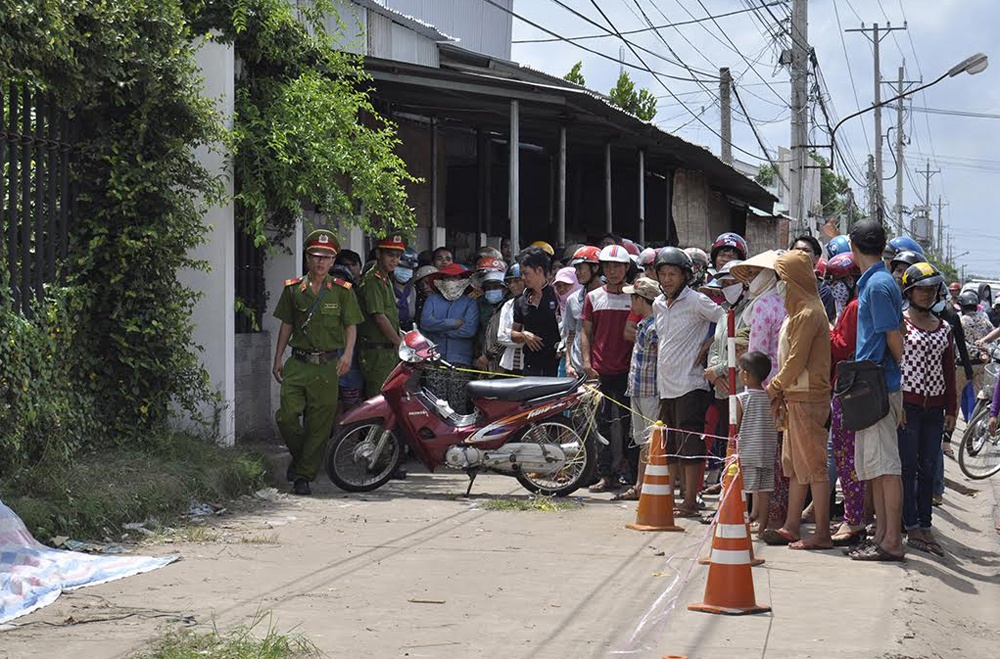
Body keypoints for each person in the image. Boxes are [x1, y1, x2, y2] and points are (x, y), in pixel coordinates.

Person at [272, 229, 363, 495]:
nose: (320, 262)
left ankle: (303, 476)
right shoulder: (293, 289)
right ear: (307, 258)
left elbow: (351, 326)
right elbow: (286, 324)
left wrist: (347, 355)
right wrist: (278, 357)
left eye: (326, 257)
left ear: (333, 261)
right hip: (298, 362)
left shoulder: (343, 292)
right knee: (287, 416)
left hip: (327, 365)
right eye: (315, 256)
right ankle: (303, 460)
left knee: (319, 424)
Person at [756, 250, 832, 550]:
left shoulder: (809, 312)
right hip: (794, 396)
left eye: (781, 278)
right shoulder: (798, 311)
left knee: (813, 466)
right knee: (794, 465)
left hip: (807, 397)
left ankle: (822, 532)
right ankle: (791, 525)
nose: (779, 285)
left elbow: (796, 361)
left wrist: (771, 390)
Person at [847, 220, 906, 562]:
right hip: (871, 384)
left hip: (880, 385)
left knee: (886, 468)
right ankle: (883, 537)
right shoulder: (875, 282)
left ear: (854, 246)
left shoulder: (879, 285)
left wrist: (903, 379)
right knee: (877, 469)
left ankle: (891, 541)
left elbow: (893, 337)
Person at [652, 247, 724, 516]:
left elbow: (725, 319)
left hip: (691, 383)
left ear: (685, 276)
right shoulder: (658, 303)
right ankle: (671, 498)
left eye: (673, 274)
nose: (668, 279)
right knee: (669, 443)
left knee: (690, 444)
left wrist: (709, 344)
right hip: (666, 385)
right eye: (663, 273)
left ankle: (691, 501)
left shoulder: (696, 301)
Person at [897, 262, 956, 557]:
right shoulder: (900, 322)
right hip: (907, 406)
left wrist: (951, 410)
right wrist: (896, 403)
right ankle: (910, 525)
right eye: (921, 289)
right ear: (910, 290)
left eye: (931, 290)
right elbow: (893, 364)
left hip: (934, 408)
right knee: (907, 468)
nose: (926, 294)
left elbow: (949, 370)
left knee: (929, 467)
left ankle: (925, 524)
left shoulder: (944, 327)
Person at [731, 250, 789, 531]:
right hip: (780, 385)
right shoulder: (783, 302)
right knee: (774, 456)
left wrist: (750, 377)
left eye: (756, 274)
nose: (752, 279)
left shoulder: (764, 305)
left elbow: (757, 351)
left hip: (763, 387)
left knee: (759, 463)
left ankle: (759, 514)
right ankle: (766, 513)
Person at [581, 244, 636, 492]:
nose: (612, 271)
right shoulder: (593, 297)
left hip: (628, 371)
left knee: (628, 425)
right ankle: (605, 475)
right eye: (607, 266)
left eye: (617, 266)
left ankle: (629, 473)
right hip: (600, 371)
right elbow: (585, 332)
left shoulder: (635, 297)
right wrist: (586, 362)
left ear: (626, 268)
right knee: (601, 425)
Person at [827, 252, 867, 544]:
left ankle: (854, 519)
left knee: (847, 457)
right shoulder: (849, 306)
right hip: (845, 385)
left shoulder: (853, 307)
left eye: (838, 280)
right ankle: (852, 516)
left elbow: (843, 347)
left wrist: (827, 333)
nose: (833, 286)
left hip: (850, 387)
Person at [618, 276, 661, 501]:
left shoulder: (655, 326)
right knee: (643, 440)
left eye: (633, 297)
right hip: (637, 388)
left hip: (650, 390)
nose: (631, 303)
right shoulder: (644, 324)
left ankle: (647, 485)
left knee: (651, 440)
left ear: (641, 299)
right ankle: (640, 485)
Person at [420, 262, 479, 413]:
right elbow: (426, 323)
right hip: (435, 360)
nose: (451, 282)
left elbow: (469, 330)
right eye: (447, 278)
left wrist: (439, 331)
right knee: (435, 405)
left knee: (458, 404)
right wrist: (453, 323)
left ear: (462, 281)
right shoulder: (432, 300)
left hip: (461, 361)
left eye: (455, 278)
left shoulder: (470, 303)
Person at [736, 351, 779, 538]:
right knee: (765, 490)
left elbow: (735, 424)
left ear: (745, 374)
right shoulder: (770, 397)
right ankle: (762, 525)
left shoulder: (742, 398)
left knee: (746, 489)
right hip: (768, 451)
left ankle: (742, 523)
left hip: (748, 450)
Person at [357, 235, 406, 399]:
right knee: (378, 401)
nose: (395, 260)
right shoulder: (373, 280)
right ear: (378, 254)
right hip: (376, 352)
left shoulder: (386, 279)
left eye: (398, 256)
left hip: (388, 351)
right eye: (390, 255)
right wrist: (399, 344)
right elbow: (379, 316)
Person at [512, 247, 561, 376]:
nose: (523, 278)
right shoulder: (520, 301)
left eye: (526, 273)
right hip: (530, 367)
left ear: (539, 270)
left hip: (555, 366)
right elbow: (513, 334)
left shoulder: (557, 296)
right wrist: (524, 336)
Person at [332, 251, 364, 417]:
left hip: (352, 357)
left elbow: (353, 326)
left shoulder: (358, 295)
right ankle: (336, 440)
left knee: (353, 404)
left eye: (353, 265)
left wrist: (349, 353)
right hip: (330, 356)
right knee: (333, 403)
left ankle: (350, 441)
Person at [565, 246, 602, 378]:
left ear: (595, 268)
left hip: (602, 369)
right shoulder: (572, 300)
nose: (577, 273)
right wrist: (568, 364)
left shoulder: (610, 297)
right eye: (576, 269)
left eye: (580, 268)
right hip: (578, 370)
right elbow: (570, 334)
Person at [790, 234, 836, 322]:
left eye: (806, 250)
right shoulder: (782, 283)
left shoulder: (823, 291)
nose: (800, 254)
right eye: (797, 250)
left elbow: (826, 324)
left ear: (816, 258)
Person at [497, 263, 526, 374]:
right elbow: (500, 336)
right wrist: (524, 338)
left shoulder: (533, 302)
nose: (513, 285)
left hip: (528, 362)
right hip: (510, 364)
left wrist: (510, 333)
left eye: (517, 280)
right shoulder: (508, 305)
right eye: (509, 282)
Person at [393, 247, 419, 331]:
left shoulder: (412, 291)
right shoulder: (387, 288)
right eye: (401, 266)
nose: (404, 271)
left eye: (409, 268)